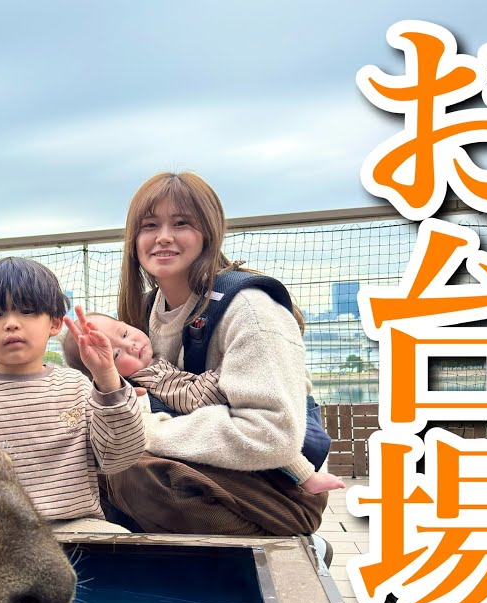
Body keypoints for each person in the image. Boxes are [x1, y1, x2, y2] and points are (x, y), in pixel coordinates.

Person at [103, 170, 332, 538]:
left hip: (280, 492)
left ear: (209, 232)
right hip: (209, 476)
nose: (163, 237)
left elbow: (272, 434)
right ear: (134, 239)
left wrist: (143, 430)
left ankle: (283, 547)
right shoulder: (146, 313)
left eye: (181, 223)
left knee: (131, 472)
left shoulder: (251, 311)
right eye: (149, 225)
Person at [0, 257, 145, 533]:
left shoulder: (76, 386)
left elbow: (119, 457)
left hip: (78, 527)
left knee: (121, 544)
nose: (11, 323)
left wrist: (107, 378)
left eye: (27, 311)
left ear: (54, 323)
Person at [61, 312, 346, 494]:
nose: (132, 346)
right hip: (198, 424)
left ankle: (308, 475)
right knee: (257, 432)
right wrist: (232, 370)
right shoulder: (144, 381)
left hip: (208, 423)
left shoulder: (157, 360)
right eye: (115, 356)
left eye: (124, 334)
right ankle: (307, 477)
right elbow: (194, 397)